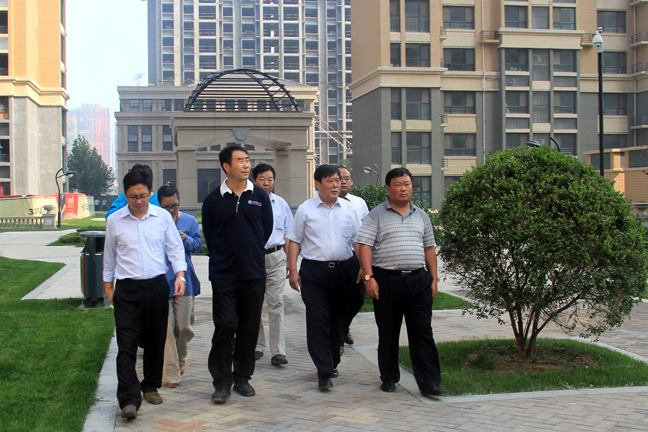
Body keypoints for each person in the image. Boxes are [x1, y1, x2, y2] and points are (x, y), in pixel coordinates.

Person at [103, 164, 187, 420]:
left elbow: (174, 248)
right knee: (126, 345)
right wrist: (108, 287)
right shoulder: (114, 220)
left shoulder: (161, 217)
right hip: (127, 289)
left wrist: (180, 275)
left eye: (142, 196)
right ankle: (129, 399)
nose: (138, 201)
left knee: (154, 341)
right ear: (125, 195)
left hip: (156, 286)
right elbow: (109, 256)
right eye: (132, 197)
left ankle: (150, 386)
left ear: (150, 193)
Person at [355, 167, 446, 398]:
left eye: (407, 184)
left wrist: (433, 279)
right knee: (388, 331)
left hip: (418, 280)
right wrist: (369, 278)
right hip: (387, 280)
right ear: (388, 188)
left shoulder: (422, 215)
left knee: (423, 332)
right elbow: (364, 247)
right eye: (398, 184)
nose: (403, 189)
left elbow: (429, 248)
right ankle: (389, 377)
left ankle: (429, 383)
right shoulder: (376, 215)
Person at [202, 145, 273, 404]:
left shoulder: (260, 196)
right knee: (225, 325)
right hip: (223, 273)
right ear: (226, 166)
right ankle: (222, 382)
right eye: (240, 160)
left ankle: (242, 377)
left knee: (248, 326)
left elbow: (265, 229)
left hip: (253, 272)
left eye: (247, 160)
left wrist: (249, 251)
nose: (246, 165)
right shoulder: (213, 200)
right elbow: (210, 234)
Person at [286, 165, 361, 391]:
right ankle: (324, 371)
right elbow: (294, 240)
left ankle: (332, 361)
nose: (336, 185)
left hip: (343, 272)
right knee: (318, 321)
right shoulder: (306, 209)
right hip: (314, 273)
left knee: (337, 321)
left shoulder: (349, 209)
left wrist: (364, 268)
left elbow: (358, 241)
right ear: (317, 184)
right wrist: (293, 270)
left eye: (337, 180)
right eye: (330, 181)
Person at [157, 183, 202, 389]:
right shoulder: (155, 222)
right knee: (166, 329)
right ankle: (171, 373)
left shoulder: (189, 221)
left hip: (185, 281)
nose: (171, 210)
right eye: (166, 207)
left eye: (174, 206)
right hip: (161, 280)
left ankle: (181, 357)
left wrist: (185, 239)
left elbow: (198, 245)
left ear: (179, 201)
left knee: (184, 327)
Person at [252, 163, 293, 366]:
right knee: (254, 303)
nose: (266, 183)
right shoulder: (249, 203)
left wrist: (291, 262)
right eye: (262, 179)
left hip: (276, 257)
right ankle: (258, 345)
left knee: (276, 302)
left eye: (270, 179)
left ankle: (278, 351)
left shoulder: (281, 204)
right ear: (254, 181)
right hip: (254, 258)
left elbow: (288, 234)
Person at [337, 166, 369, 351]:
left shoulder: (359, 203)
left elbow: (367, 233)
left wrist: (365, 264)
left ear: (351, 181)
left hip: (355, 257)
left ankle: (344, 326)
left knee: (357, 298)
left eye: (347, 178)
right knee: (338, 299)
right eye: (339, 178)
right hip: (335, 258)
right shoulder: (320, 203)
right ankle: (338, 336)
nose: (343, 181)